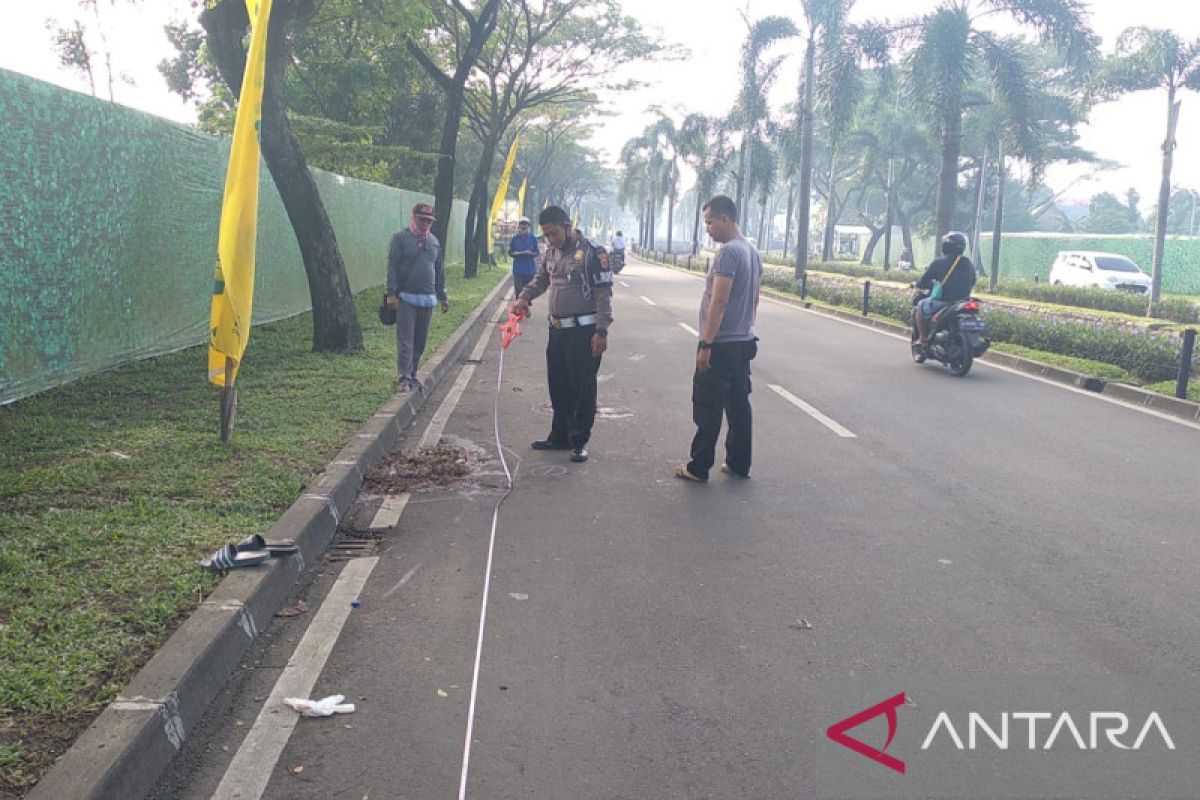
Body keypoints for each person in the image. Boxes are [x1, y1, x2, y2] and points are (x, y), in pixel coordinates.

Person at [510, 205, 614, 463]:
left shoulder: (593, 253)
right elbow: (541, 280)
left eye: (554, 233)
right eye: (546, 235)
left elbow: (603, 294)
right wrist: (524, 297)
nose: (550, 239)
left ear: (567, 226)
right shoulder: (550, 253)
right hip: (556, 330)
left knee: (582, 388)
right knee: (558, 385)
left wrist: (601, 331)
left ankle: (579, 441)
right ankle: (560, 435)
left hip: (584, 332)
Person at [676, 195, 762, 483]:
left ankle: (698, 467)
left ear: (726, 220)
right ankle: (739, 463)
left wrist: (706, 343)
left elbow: (719, 301)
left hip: (722, 344)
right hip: (743, 341)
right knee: (738, 404)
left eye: (710, 222)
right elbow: (755, 298)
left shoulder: (728, 253)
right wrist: (745, 326)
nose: (708, 229)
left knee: (708, 405)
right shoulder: (751, 250)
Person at [386, 202, 449, 392]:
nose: (425, 224)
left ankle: (413, 374)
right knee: (406, 339)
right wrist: (391, 293)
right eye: (422, 219)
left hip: (427, 298)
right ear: (413, 217)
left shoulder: (434, 241)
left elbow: (439, 271)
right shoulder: (400, 239)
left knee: (420, 339)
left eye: (429, 221)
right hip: (405, 297)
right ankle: (403, 377)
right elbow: (392, 267)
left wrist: (442, 296)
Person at [914, 231, 976, 349]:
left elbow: (924, 281)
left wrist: (918, 284)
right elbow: (973, 281)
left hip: (944, 302)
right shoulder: (968, 264)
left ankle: (922, 338)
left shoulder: (939, 263)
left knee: (921, 306)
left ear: (946, 246)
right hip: (963, 302)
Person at [508, 217, 539, 299]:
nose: (523, 226)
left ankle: (526, 310)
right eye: (522, 224)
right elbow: (511, 252)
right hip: (518, 270)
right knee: (519, 293)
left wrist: (531, 253)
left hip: (530, 270)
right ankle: (518, 311)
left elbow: (537, 252)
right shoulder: (515, 238)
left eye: (525, 224)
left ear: (528, 226)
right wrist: (521, 253)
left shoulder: (532, 238)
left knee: (528, 293)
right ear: (519, 226)